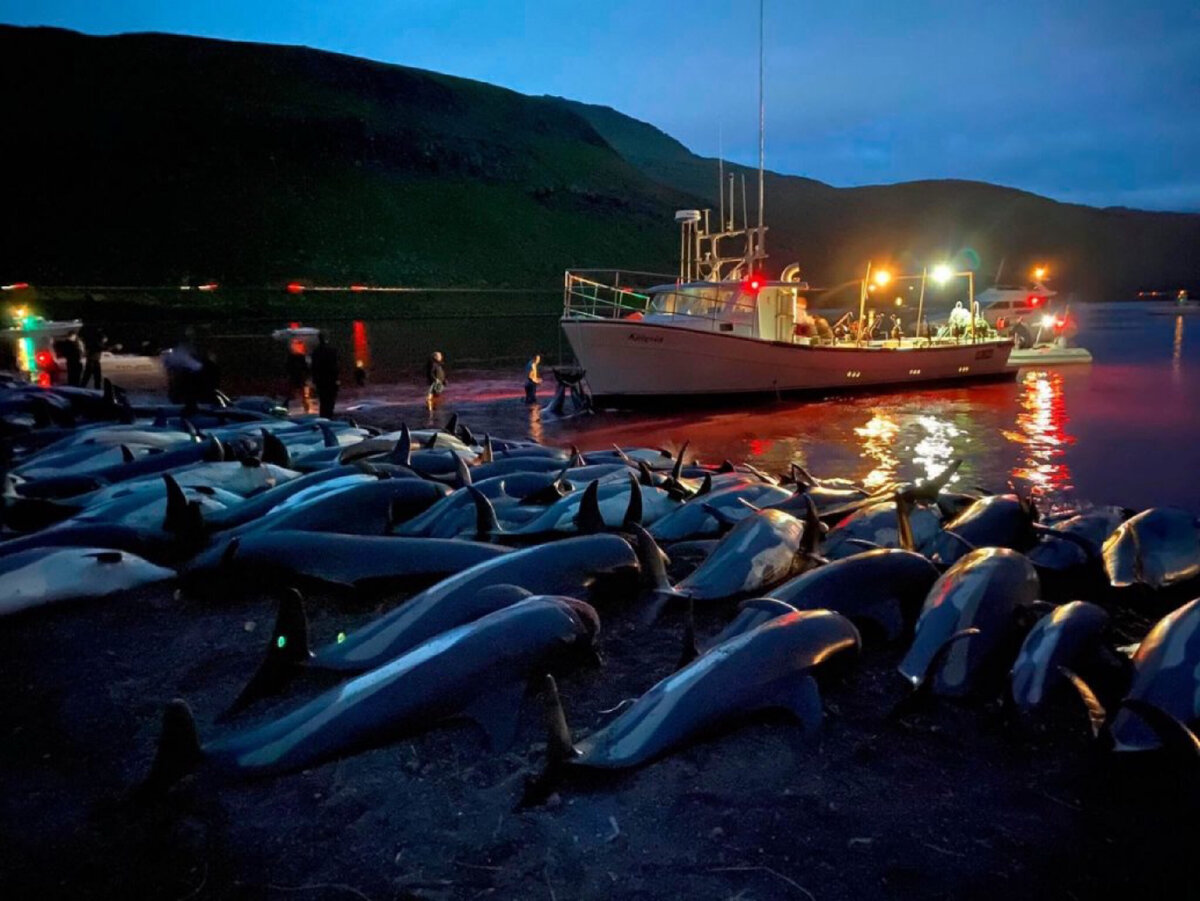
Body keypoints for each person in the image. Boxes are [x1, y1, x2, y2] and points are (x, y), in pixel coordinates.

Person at [310, 332, 340, 419]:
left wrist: (315, 380)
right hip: (330, 380)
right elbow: (335, 366)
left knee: (323, 401)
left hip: (321, 381)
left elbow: (314, 367)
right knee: (330, 400)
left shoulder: (315, 352)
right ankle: (329, 416)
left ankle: (324, 416)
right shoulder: (332, 350)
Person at [78, 321, 105, 389]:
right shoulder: (96, 342)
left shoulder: (92, 341)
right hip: (93, 361)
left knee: (90, 376)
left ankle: (83, 387)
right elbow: (101, 348)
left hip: (92, 361)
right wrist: (114, 347)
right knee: (94, 376)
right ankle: (95, 388)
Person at [285, 343, 310, 411]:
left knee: (290, 393)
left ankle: (285, 406)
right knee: (302, 394)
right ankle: (306, 407)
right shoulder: (300, 357)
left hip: (294, 377)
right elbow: (305, 368)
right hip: (299, 378)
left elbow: (287, 367)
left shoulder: (291, 357)